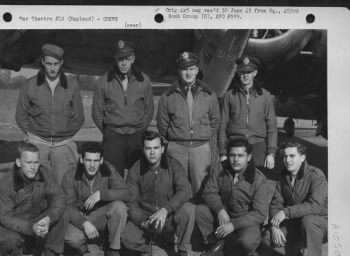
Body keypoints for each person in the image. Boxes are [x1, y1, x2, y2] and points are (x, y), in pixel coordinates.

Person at [122, 131, 196, 256]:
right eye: (148, 148)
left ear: (162, 149)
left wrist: (165, 210)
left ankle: (182, 251)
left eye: (156, 148)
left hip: (167, 217)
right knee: (125, 238)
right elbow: (131, 202)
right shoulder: (135, 169)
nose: (152, 152)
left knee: (188, 209)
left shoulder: (173, 165)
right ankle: (147, 244)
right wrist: (142, 221)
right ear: (143, 150)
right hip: (147, 218)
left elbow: (185, 191)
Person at [15, 43, 85, 184]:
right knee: (35, 185)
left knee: (65, 184)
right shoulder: (29, 85)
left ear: (61, 63)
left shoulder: (72, 86)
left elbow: (79, 118)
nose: (52, 68)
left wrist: (66, 135)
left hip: (63, 144)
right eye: (48, 64)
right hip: (38, 142)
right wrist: (32, 135)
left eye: (56, 64)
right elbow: (20, 116)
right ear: (42, 62)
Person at [196, 138, 273, 256]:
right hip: (224, 215)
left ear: (248, 157)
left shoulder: (259, 179)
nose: (236, 159)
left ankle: (248, 247)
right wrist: (219, 209)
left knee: (247, 242)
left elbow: (260, 213)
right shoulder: (219, 169)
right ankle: (216, 243)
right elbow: (208, 192)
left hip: (245, 219)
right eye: (232, 155)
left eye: (240, 156)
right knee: (200, 211)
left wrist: (234, 225)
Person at [157, 51, 220, 198]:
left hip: (201, 148)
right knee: (177, 187)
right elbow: (162, 124)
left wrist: (202, 137)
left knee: (202, 187)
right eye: (185, 69)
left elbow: (215, 121)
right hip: (177, 148)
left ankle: (200, 217)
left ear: (197, 70)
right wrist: (176, 139)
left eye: (192, 69)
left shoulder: (209, 95)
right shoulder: (167, 96)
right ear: (179, 71)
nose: (188, 73)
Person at [0, 143, 67, 256]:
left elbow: (59, 197)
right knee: (8, 239)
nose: (33, 167)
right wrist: (30, 228)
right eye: (28, 162)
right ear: (18, 162)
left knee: (63, 212)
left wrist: (48, 219)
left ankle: (49, 253)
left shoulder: (45, 174)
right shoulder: (6, 183)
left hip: (38, 218)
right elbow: (6, 217)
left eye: (36, 162)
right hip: (16, 223)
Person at [263, 141, 328, 256]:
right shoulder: (283, 176)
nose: (287, 160)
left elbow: (315, 205)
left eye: (292, 156)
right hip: (296, 222)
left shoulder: (316, 175)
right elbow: (275, 204)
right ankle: (300, 247)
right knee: (267, 237)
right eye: (285, 156)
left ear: (302, 158)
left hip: (319, 223)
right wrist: (274, 227)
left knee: (309, 220)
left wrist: (286, 212)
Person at [92, 40, 154, 177]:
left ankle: (137, 199)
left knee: (139, 175)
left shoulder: (144, 81)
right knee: (112, 176)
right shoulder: (103, 82)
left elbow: (149, 110)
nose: (124, 63)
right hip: (113, 136)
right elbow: (96, 113)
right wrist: (108, 131)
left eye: (127, 58)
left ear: (133, 59)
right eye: (120, 59)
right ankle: (114, 199)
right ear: (115, 60)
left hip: (137, 135)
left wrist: (140, 129)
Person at [61, 142, 129, 256]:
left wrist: (101, 194)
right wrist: (83, 222)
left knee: (119, 207)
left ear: (101, 160)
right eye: (88, 160)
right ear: (81, 159)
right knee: (74, 240)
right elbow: (67, 206)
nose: (92, 165)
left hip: (99, 214)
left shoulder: (109, 170)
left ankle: (113, 250)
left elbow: (126, 193)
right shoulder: (70, 175)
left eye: (96, 161)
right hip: (79, 216)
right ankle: (82, 245)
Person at [218, 55, 277, 171]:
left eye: (248, 72)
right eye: (242, 72)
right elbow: (222, 126)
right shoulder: (229, 96)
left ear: (254, 73)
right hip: (235, 144)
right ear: (238, 73)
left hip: (257, 144)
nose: (245, 75)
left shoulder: (265, 96)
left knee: (259, 181)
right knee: (234, 182)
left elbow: (272, 127)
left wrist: (271, 153)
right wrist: (223, 153)